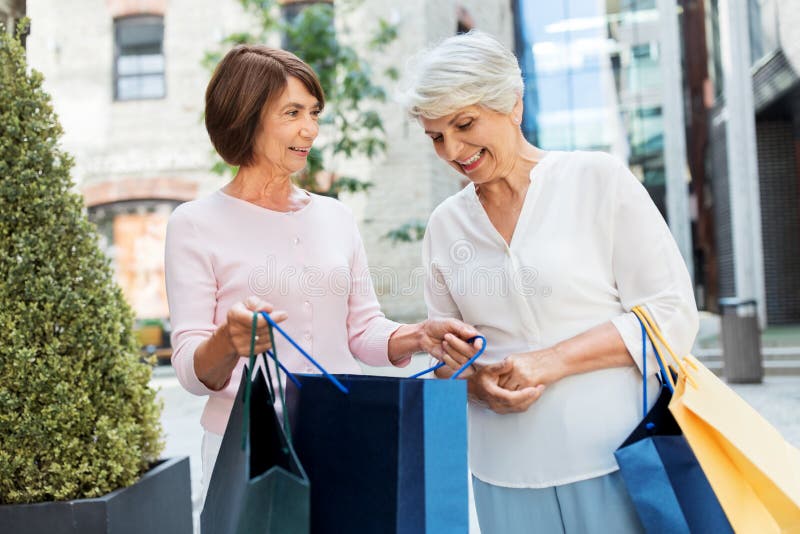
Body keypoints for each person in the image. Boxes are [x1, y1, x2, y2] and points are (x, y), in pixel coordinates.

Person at [399, 31, 698, 533]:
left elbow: (671, 315)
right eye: (435, 136)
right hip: (501, 475)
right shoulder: (445, 226)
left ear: (512, 106)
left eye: (464, 124)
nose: (452, 149)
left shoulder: (597, 180)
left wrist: (551, 361)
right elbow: (447, 363)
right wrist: (476, 383)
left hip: (619, 461)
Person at [164, 44, 478, 511]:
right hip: (249, 451)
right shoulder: (194, 223)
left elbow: (363, 330)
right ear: (246, 116)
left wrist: (417, 336)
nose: (310, 129)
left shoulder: (335, 216)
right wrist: (229, 341)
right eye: (292, 113)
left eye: (314, 112)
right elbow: (190, 368)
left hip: (342, 435)